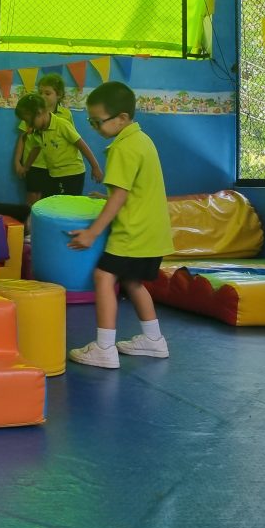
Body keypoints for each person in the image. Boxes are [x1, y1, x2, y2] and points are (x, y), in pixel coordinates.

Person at [66, 81, 174, 369]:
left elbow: (120, 196)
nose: (94, 127)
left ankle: (104, 348)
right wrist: (107, 196)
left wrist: (92, 233)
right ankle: (154, 340)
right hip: (152, 230)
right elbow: (133, 190)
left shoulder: (122, 148)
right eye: (90, 121)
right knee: (131, 281)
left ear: (122, 118)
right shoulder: (142, 140)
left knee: (103, 276)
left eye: (97, 121)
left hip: (132, 232)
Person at [15, 92, 104, 196]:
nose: (27, 125)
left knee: (66, 204)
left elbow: (82, 145)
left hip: (71, 174)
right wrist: (26, 167)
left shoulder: (62, 125)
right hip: (54, 174)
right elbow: (35, 149)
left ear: (39, 113)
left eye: (28, 121)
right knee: (50, 201)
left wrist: (95, 167)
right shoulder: (38, 130)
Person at [13, 73, 74, 205]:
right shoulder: (31, 112)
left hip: (54, 165)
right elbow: (23, 138)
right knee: (33, 198)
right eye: (40, 92)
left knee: (51, 199)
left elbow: (71, 139)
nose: (42, 96)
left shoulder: (65, 114)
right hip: (34, 164)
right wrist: (17, 161)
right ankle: (30, 218)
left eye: (47, 93)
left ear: (59, 95)